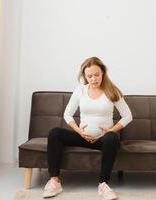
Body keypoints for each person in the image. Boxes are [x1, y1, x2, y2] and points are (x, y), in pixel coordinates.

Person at [42, 57, 133, 200]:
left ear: (103, 72)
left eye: (97, 75)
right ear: (84, 76)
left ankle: (103, 184)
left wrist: (111, 130)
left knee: (112, 137)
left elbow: (127, 116)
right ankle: (55, 181)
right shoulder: (80, 91)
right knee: (55, 133)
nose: (94, 79)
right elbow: (67, 114)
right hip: (82, 137)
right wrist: (78, 130)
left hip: (104, 139)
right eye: (89, 76)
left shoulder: (112, 91)